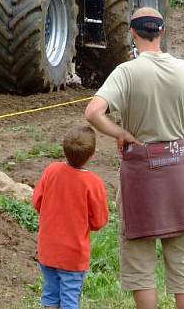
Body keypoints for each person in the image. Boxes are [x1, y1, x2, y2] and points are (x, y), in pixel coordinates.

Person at [85, 7, 184, 309]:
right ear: (162, 32)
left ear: (133, 34)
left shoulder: (127, 71)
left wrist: (120, 133)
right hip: (178, 168)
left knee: (140, 264)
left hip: (140, 171)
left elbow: (93, 112)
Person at [32, 125, 109, 309]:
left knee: (50, 294)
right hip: (73, 254)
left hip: (48, 249)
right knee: (70, 298)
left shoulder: (51, 170)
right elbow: (98, 222)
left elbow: (37, 202)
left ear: (64, 149)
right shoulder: (93, 183)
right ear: (92, 154)